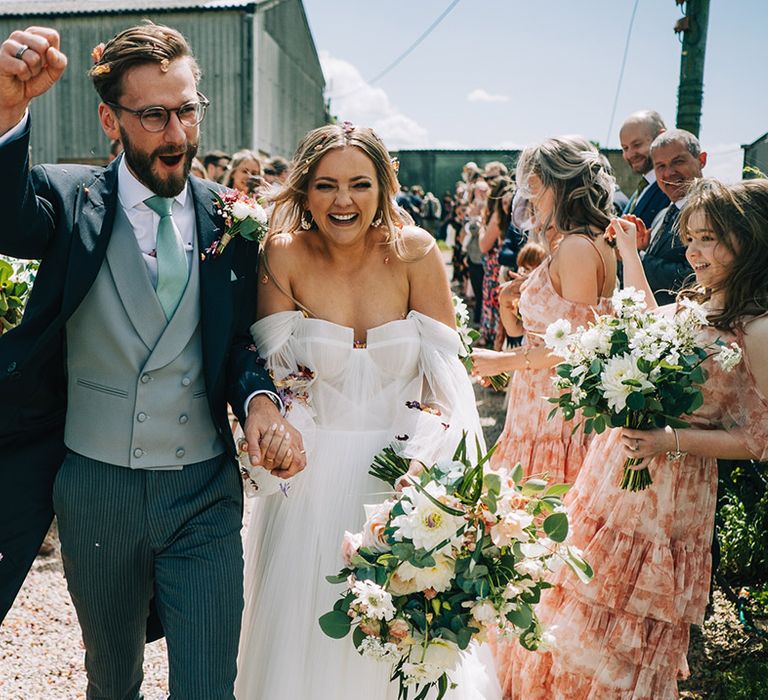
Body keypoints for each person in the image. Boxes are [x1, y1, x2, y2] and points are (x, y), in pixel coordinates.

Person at [0, 23, 304, 699]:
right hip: (96, 491)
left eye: (187, 110)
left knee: (206, 686)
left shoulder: (232, 218)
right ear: (111, 118)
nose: (176, 134)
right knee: (113, 683)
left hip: (203, 492)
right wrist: (7, 114)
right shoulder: (70, 197)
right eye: (153, 116)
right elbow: (7, 216)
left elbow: (237, 343)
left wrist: (258, 404)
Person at [235, 122, 501, 700]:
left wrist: (432, 480)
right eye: (327, 185)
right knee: (305, 649)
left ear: (383, 188)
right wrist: (282, 443)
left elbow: (445, 378)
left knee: (405, 643)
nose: (343, 200)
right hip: (307, 487)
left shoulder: (416, 254)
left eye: (359, 184)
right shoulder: (282, 255)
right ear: (305, 190)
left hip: (401, 482)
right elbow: (278, 383)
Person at [505, 178, 768, 698]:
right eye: (690, 238)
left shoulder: (756, 327)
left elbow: (761, 439)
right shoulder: (702, 299)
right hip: (612, 476)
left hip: (668, 495)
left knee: (624, 633)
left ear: (751, 239)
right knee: (576, 603)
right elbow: (645, 321)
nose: (694, 252)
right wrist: (629, 252)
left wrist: (670, 441)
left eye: (709, 239)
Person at [471, 135, 617, 484]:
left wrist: (501, 361)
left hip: (558, 408)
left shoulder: (579, 247)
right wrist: (518, 295)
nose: (529, 195)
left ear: (562, 184)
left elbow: (577, 347)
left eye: (535, 185)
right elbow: (556, 323)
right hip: (541, 398)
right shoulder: (576, 241)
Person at [637, 128, 701, 305]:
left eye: (678, 162)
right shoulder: (661, 215)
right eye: (661, 166)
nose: (669, 173)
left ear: (701, 160)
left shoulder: (711, 211)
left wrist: (636, 257)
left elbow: (694, 277)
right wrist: (642, 247)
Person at [619, 110, 669, 226]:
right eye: (625, 148)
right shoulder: (642, 188)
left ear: (660, 137)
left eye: (637, 145)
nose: (630, 155)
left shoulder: (670, 190)